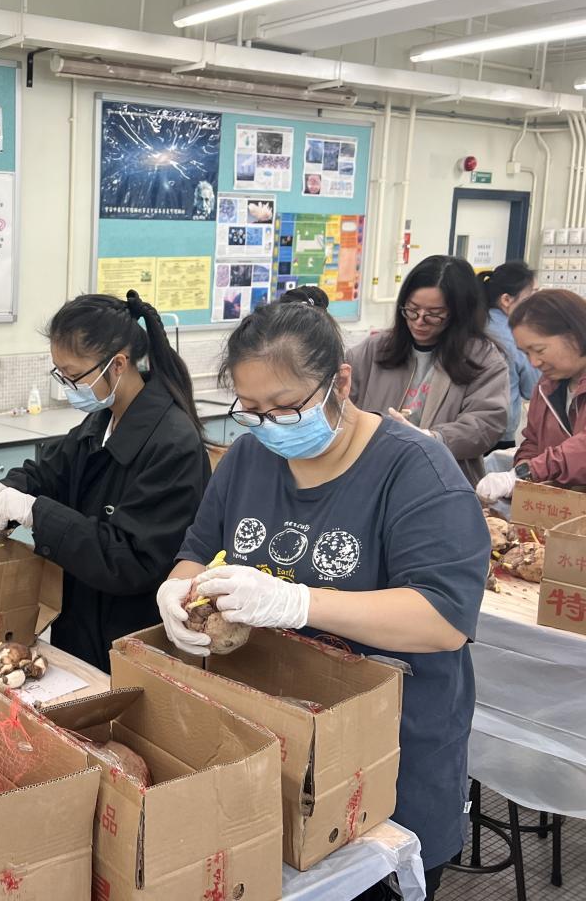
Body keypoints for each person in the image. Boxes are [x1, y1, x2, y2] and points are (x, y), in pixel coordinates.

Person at [156, 300, 487, 901]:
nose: (270, 426)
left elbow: (442, 619)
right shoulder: (251, 457)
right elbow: (199, 549)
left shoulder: (415, 470)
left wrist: (297, 604)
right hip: (271, 743)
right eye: (252, 411)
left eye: (286, 408)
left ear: (342, 382)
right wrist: (180, 589)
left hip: (382, 760)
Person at [0, 290, 209, 671]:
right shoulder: (102, 421)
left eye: (74, 375)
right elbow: (49, 473)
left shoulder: (173, 445)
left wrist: (35, 512)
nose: (67, 385)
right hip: (80, 623)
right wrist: (8, 489)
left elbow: (130, 560)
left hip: (129, 637)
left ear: (118, 364)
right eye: (59, 373)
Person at [346, 255, 507, 485]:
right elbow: (340, 402)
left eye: (434, 314)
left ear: (459, 313)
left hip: (442, 480)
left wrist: (433, 438)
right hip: (375, 475)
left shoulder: (482, 359)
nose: (419, 321)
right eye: (412, 310)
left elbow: (486, 424)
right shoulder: (375, 349)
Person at [476, 289, 586, 503]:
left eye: (539, 350)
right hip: (563, 508)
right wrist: (520, 472)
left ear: (575, 334)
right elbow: (534, 441)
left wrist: (527, 472)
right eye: (526, 353)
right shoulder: (546, 387)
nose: (534, 362)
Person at [478, 262, 538, 452]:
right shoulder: (516, 336)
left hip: (465, 426)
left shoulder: (474, 323)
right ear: (506, 300)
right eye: (531, 295)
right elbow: (533, 389)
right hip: (498, 432)